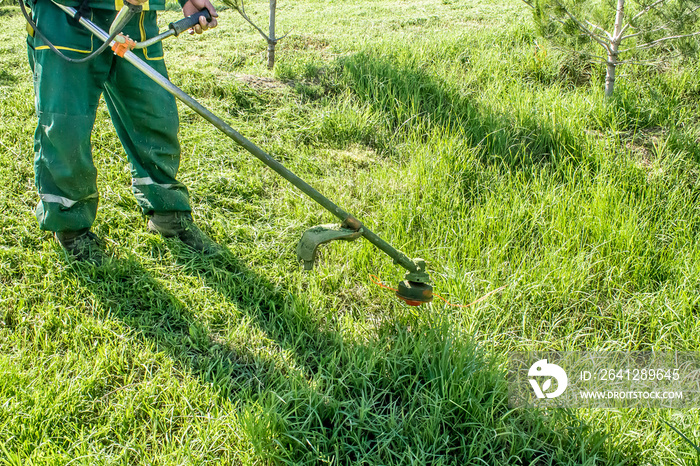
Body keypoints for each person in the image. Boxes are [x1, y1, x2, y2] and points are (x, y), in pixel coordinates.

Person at [26, 0, 219, 263]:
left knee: (154, 114)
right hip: (66, 14)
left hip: (137, 16)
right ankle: (70, 226)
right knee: (65, 123)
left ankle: (167, 212)